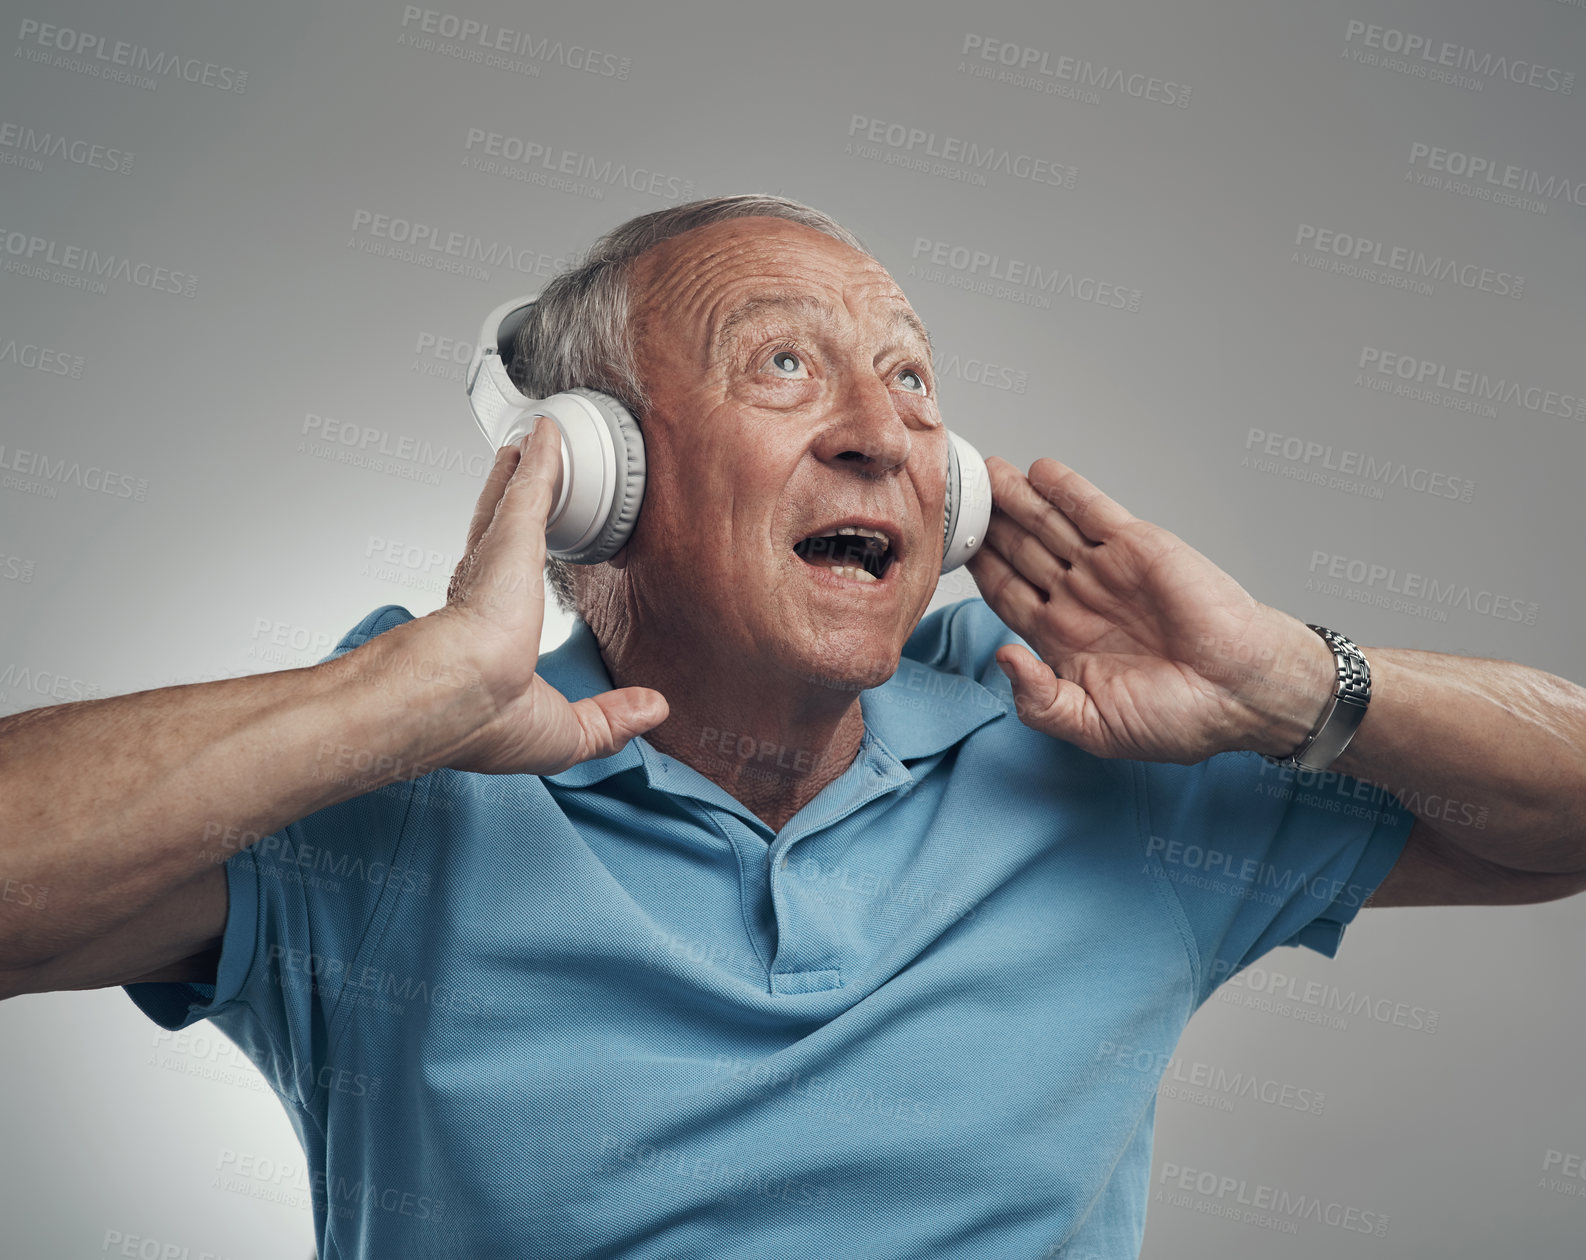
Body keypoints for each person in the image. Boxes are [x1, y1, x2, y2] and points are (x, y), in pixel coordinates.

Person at [2, 194, 1583, 1259]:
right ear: (592, 471)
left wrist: (1303, 689)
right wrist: (396, 694)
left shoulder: (1080, 743)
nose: (882, 436)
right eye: (782, 366)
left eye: (910, 384)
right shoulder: (395, 783)